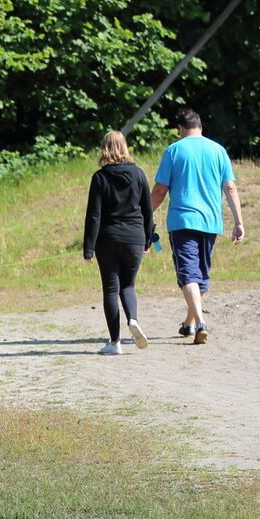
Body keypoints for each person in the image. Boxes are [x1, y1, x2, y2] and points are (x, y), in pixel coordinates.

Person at [151, 108, 244, 345]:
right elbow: (230, 187)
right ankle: (190, 323)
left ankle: (201, 322)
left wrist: (144, 213)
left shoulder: (174, 150)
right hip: (211, 222)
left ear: (180, 129)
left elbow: (160, 190)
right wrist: (238, 222)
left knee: (188, 273)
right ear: (200, 127)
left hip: (182, 221)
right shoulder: (218, 150)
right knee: (200, 274)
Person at [82, 130, 154, 355]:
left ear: (105, 149)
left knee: (111, 290)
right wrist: (148, 237)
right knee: (128, 285)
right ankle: (133, 319)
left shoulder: (100, 177)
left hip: (108, 239)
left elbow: (94, 215)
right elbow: (148, 210)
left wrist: (88, 247)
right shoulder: (139, 174)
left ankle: (114, 342)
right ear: (124, 148)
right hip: (134, 238)